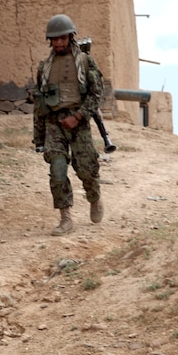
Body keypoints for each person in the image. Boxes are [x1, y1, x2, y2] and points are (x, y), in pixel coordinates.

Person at [32, 14, 103, 235]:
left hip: (78, 122)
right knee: (58, 170)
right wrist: (39, 136)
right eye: (55, 39)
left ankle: (94, 197)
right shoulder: (44, 67)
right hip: (55, 123)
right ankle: (65, 218)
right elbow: (40, 104)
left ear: (71, 37)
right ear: (50, 41)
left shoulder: (84, 61)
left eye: (63, 38)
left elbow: (96, 93)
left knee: (86, 169)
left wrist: (79, 116)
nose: (60, 43)